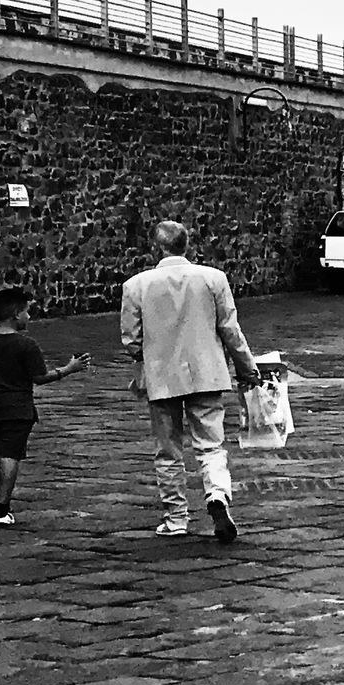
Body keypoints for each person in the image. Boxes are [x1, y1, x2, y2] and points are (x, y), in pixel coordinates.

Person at [120, 220, 261, 542]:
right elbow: (230, 329)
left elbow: (131, 340)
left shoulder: (136, 285)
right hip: (207, 373)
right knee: (211, 445)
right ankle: (216, 494)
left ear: (157, 247)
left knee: (167, 450)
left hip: (161, 375)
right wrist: (246, 368)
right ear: (187, 245)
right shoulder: (213, 278)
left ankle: (176, 519)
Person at [0, 287, 91, 527]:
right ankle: (1, 508)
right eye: (27, 312)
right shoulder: (26, 345)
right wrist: (69, 368)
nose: (29, 317)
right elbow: (40, 377)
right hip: (16, 408)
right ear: (16, 314)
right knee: (9, 455)